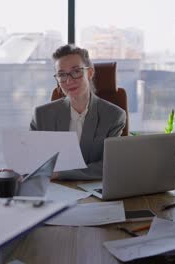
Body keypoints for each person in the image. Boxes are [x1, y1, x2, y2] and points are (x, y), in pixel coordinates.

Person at [30, 44, 126, 180]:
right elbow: (32, 159)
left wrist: (60, 174)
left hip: (94, 191)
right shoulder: (41, 115)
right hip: (54, 191)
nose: (69, 80)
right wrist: (18, 170)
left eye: (76, 71)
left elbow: (108, 166)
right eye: (61, 74)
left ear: (90, 73)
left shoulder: (114, 116)